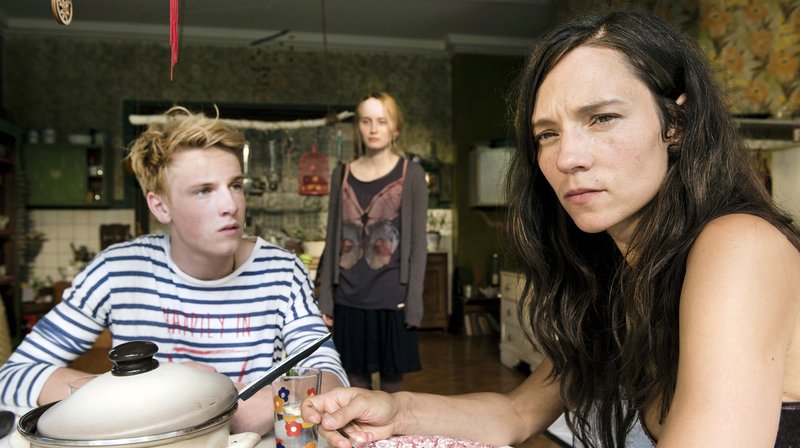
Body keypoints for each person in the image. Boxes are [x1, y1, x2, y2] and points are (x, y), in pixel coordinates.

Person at [302, 10, 800, 448]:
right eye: (547, 134)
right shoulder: (619, 278)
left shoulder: (740, 245)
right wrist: (395, 410)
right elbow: (517, 414)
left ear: (677, 124)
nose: (566, 158)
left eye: (602, 118)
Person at [0, 107, 347, 436]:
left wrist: (273, 402)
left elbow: (331, 377)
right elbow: (12, 376)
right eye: (204, 191)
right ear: (160, 206)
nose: (231, 206)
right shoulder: (116, 270)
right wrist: (137, 389)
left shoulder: (281, 270)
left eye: (236, 185)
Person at [316, 92, 428, 393]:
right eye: (366, 121)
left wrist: (414, 303)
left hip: (393, 297)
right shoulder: (342, 174)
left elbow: (418, 245)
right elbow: (333, 237)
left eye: (382, 121)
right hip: (348, 299)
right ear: (358, 127)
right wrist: (325, 298)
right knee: (355, 383)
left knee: (393, 385)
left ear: (396, 128)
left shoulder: (412, 174)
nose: (374, 128)